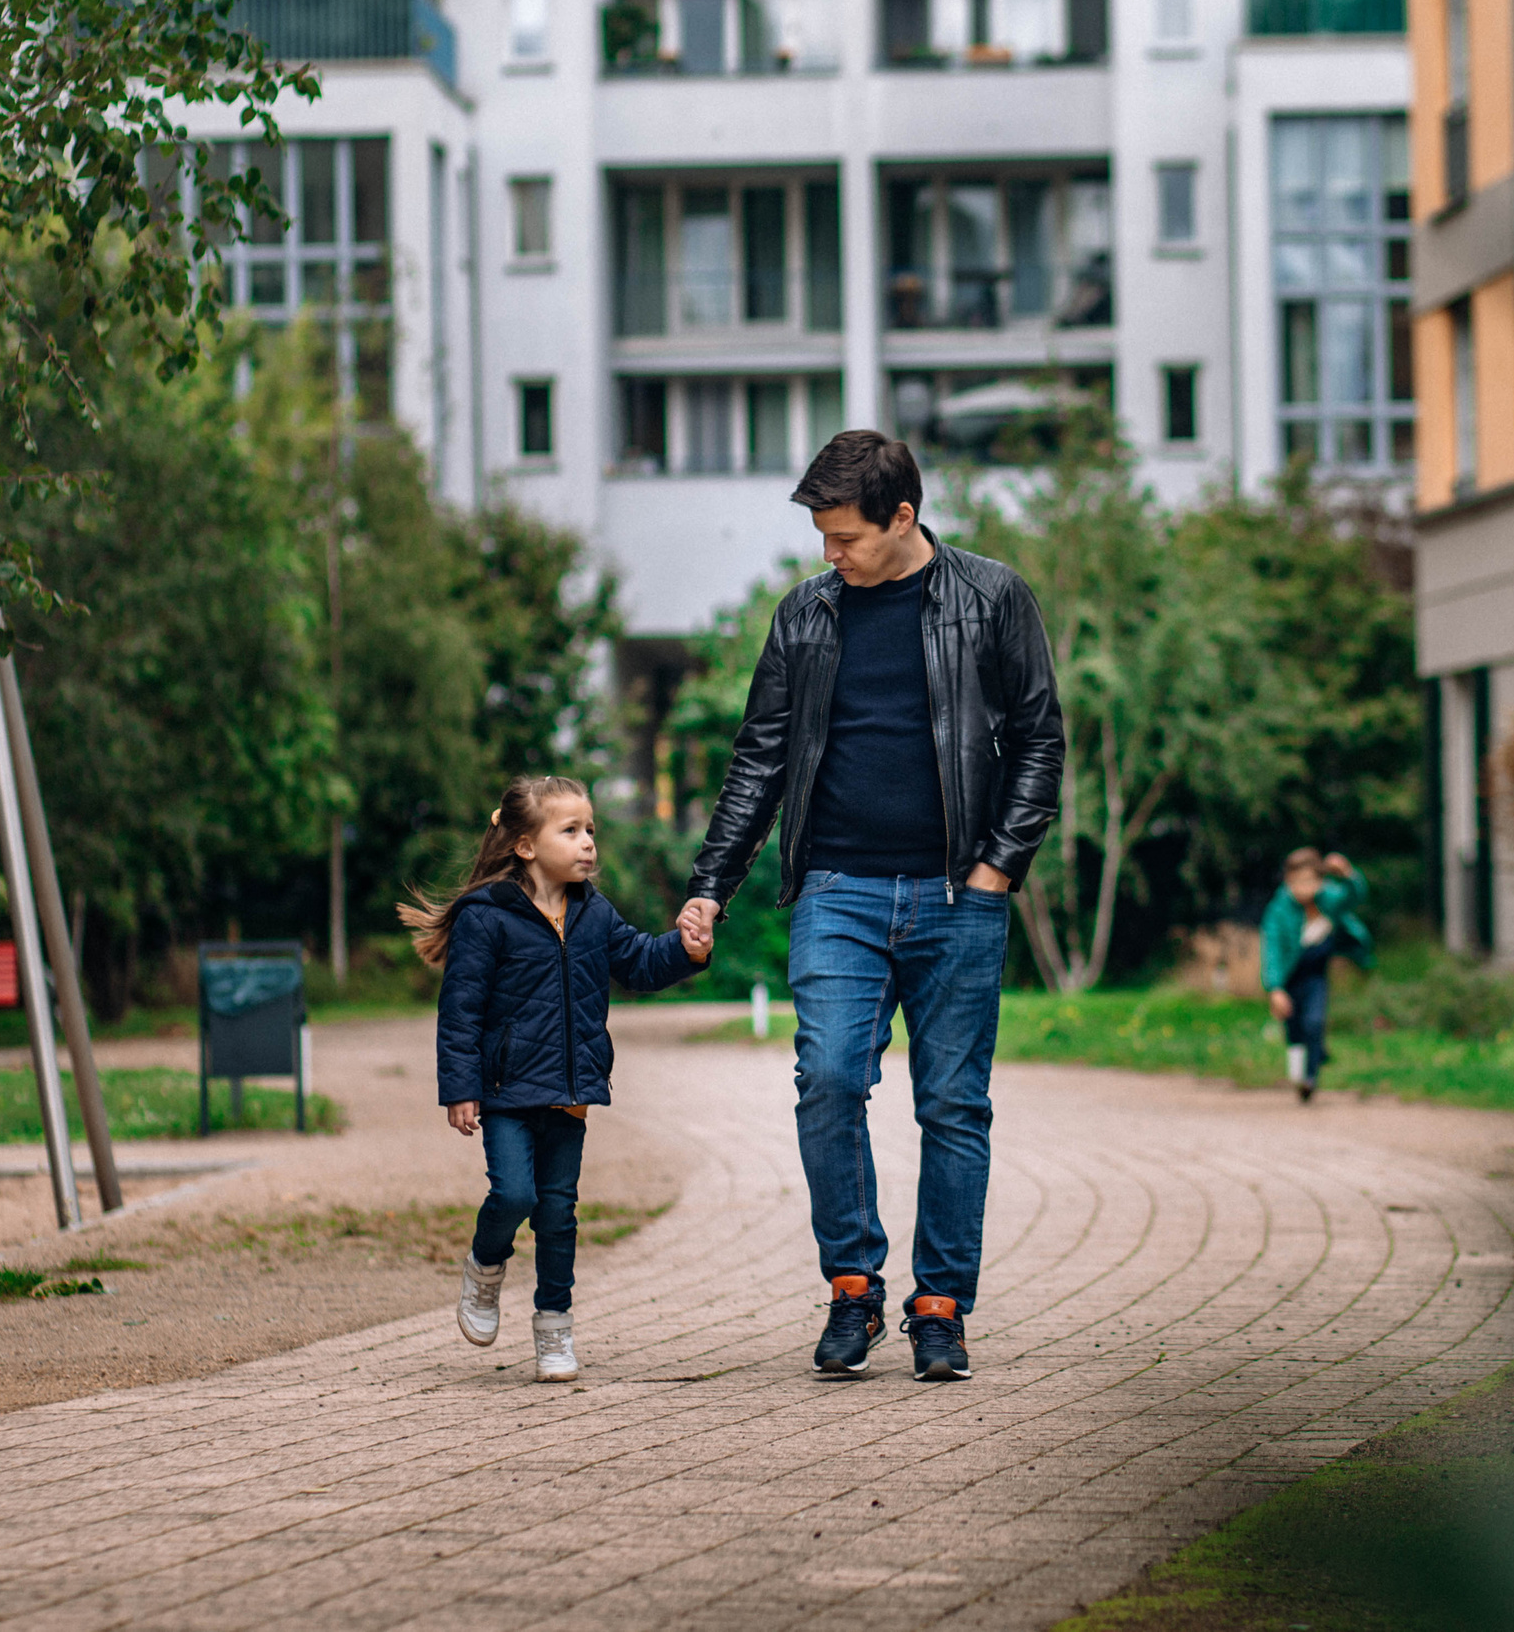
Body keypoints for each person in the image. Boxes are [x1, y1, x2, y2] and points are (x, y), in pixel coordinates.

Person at [677, 430, 1064, 1384]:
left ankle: (941, 1307)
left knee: (953, 1105)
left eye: (844, 536)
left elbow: (1040, 740)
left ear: (903, 517)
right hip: (838, 891)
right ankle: (854, 1285)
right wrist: (709, 884)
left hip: (957, 894)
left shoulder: (992, 597)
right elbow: (759, 758)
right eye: (819, 535)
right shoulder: (804, 616)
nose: (828, 555)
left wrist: (997, 870)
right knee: (831, 1082)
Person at [401, 775, 708, 1380]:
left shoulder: (595, 914)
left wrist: (688, 950)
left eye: (591, 829)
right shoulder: (485, 918)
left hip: (571, 1090)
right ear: (524, 845)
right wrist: (459, 1088)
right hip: (507, 1089)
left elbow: (642, 962)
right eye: (571, 830)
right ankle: (486, 1268)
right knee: (514, 1193)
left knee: (559, 1213)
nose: (588, 842)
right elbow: (460, 1009)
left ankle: (554, 1329)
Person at [1261, 850, 1375, 1104]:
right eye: (1297, 882)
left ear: (1320, 881)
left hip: (1316, 975)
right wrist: (1275, 988)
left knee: (1314, 1022)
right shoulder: (1279, 910)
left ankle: (1309, 1078)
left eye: (1310, 881)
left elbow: (1355, 895)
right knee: (1295, 1029)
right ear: (1288, 881)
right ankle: (1299, 1071)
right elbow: (1272, 950)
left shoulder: (1328, 899)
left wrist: (1347, 874)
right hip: (1290, 976)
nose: (1304, 888)